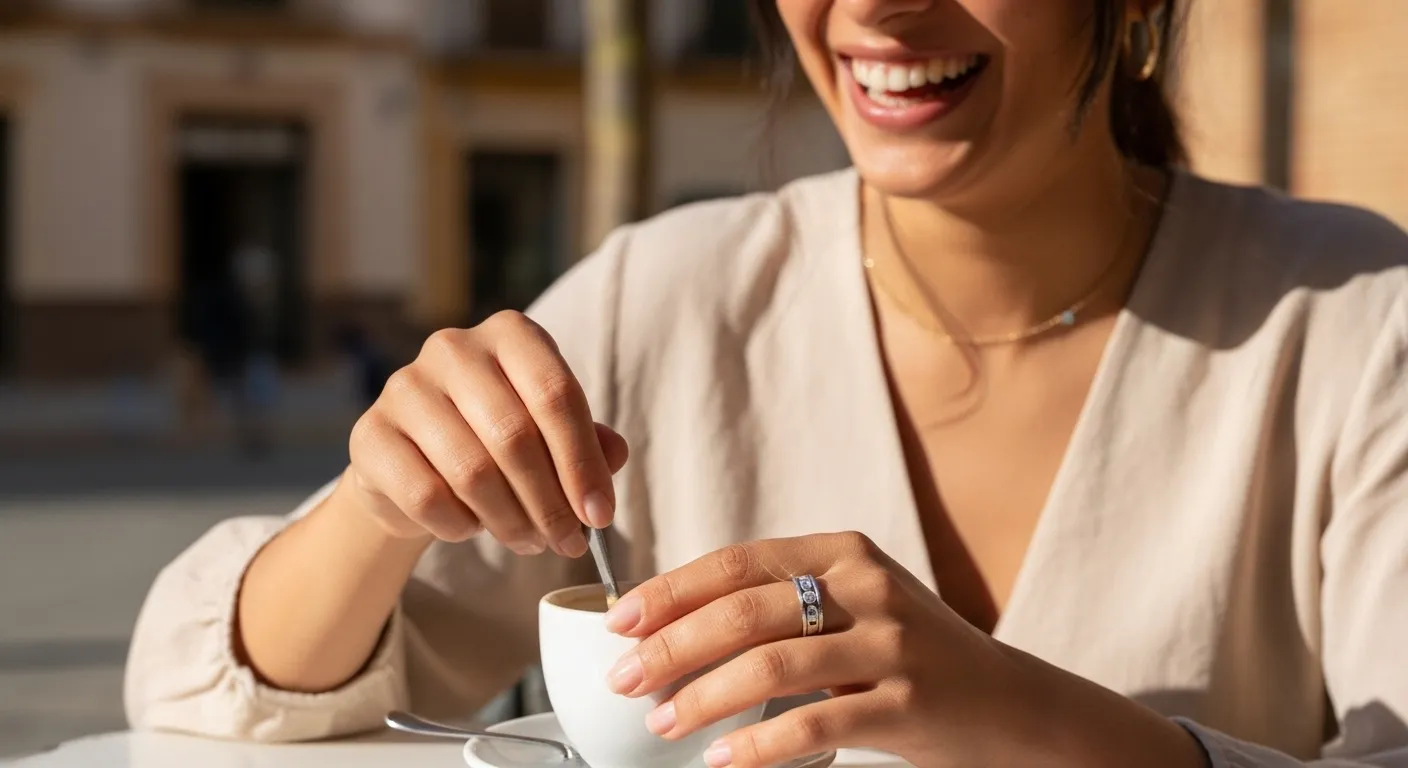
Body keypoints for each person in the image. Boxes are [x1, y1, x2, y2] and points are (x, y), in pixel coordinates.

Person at [124, 2, 1408, 766]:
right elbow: (201, 690)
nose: (877, 7)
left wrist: (1028, 721)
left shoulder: (1359, 324)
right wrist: (380, 506)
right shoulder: (666, 294)